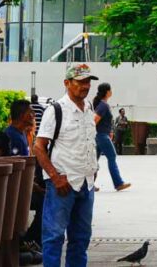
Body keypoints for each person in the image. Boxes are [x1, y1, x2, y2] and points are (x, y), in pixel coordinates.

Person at [33, 63, 99, 267]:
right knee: (54, 236)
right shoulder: (56, 110)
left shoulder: (89, 108)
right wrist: (55, 177)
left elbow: (89, 141)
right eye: (80, 82)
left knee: (81, 238)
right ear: (67, 83)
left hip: (86, 184)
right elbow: (38, 147)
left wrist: (93, 169)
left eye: (88, 81)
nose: (85, 86)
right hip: (62, 184)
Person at [6, 99, 43, 264]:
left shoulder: (22, 134)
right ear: (22, 116)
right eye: (31, 113)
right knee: (45, 202)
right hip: (15, 192)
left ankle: (28, 241)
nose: (34, 116)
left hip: (25, 188)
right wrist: (33, 187)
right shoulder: (11, 136)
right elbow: (15, 170)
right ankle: (29, 240)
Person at [92, 83, 130, 191]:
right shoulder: (103, 105)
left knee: (94, 160)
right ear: (107, 92)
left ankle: (89, 185)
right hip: (101, 136)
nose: (111, 91)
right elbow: (95, 120)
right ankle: (118, 183)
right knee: (112, 157)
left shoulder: (102, 104)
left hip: (100, 135)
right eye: (110, 90)